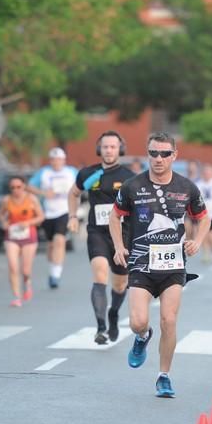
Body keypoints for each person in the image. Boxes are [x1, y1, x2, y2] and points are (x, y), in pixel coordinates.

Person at [110, 132, 210, 398]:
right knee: (137, 322)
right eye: (154, 153)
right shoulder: (132, 186)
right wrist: (119, 246)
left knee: (169, 319)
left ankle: (164, 376)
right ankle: (142, 337)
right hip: (141, 264)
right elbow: (114, 216)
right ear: (147, 154)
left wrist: (197, 241)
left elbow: (204, 218)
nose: (159, 158)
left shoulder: (187, 187)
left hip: (173, 266)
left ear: (174, 156)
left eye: (165, 153)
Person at [68, 131, 134, 344]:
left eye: (113, 147)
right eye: (105, 147)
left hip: (122, 235)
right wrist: (72, 216)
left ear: (120, 149)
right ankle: (101, 328)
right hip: (96, 231)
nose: (109, 150)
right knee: (99, 274)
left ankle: (113, 313)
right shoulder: (88, 174)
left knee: (120, 284)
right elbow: (73, 193)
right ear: (99, 149)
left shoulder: (128, 176)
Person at [27, 147, 77, 289]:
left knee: (59, 241)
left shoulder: (71, 172)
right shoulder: (44, 172)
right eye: (53, 160)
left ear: (64, 160)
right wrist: (43, 192)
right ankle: (52, 268)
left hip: (65, 211)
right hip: (48, 212)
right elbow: (29, 186)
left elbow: (81, 185)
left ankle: (56, 275)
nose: (56, 162)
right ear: (50, 161)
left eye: (59, 159)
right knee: (51, 245)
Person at [0, 175, 44, 307]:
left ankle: (27, 283)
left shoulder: (32, 199)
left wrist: (28, 222)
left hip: (29, 237)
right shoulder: (7, 200)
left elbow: (41, 216)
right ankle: (16, 297)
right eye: (12, 187)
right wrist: (4, 222)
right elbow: (1, 214)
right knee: (13, 267)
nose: (15, 190)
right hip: (12, 236)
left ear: (24, 186)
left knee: (25, 270)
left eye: (18, 187)